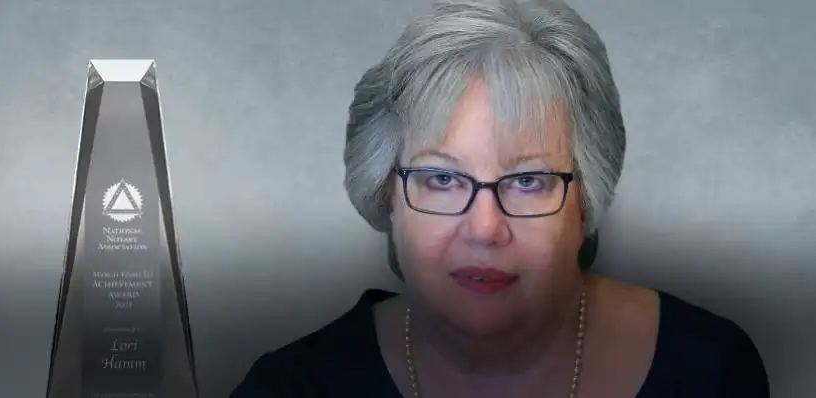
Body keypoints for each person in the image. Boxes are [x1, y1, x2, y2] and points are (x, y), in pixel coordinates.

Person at [231, 0, 770, 396]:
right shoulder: (290, 386)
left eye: (528, 180)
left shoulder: (711, 367)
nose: (485, 228)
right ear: (386, 194)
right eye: (441, 179)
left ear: (586, 201)